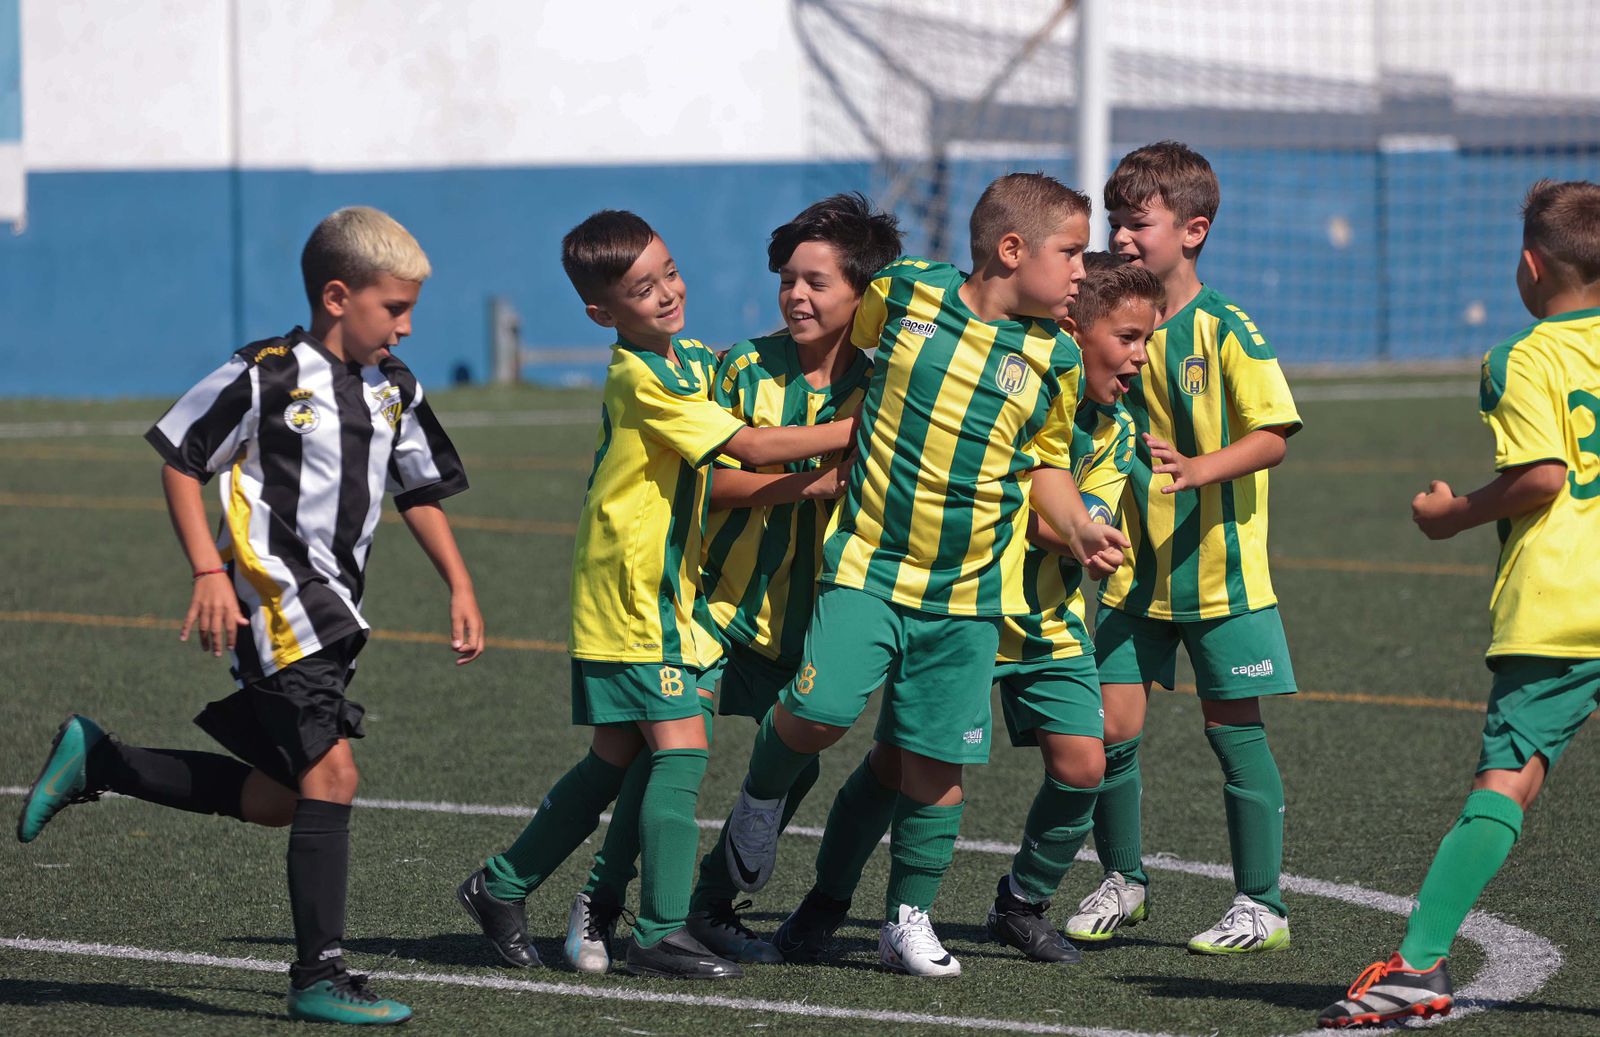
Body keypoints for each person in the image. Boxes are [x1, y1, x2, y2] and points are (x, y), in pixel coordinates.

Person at [16, 206, 483, 1025]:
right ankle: (318, 974)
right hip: (280, 604)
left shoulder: (395, 388)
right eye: (394, 309)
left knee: (281, 798)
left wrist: (461, 583)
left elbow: (420, 490)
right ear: (338, 296)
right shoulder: (264, 372)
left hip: (339, 613)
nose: (407, 328)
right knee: (333, 777)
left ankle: (103, 761)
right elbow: (179, 460)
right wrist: (208, 568)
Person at [720, 173, 1129, 977]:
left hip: (969, 596)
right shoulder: (907, 293)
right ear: (1011, 250)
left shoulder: (1053, 357)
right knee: (819, 709)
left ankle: (908, 918)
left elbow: (1045, 462)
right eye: (1072, 253)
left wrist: (1080, 524)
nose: (1084, 270)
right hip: (868, 565)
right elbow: (854, 342)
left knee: (937, 768)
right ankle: (761, 796)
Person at [455, 210, 854, 980]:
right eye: (644, 289)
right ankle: (662, 929)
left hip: (663, 591)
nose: (668, 292)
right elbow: (749, 445)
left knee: (613, 759)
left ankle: (500, 885)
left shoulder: (689, 360)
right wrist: (855, 429)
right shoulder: (639, 377)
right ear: (602, 313)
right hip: (634, 594)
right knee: (681, 749)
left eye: (669, 272)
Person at [564, 193, 903, 972]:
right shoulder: (739, 366)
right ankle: (601, 901)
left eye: (816, 281)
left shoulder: (887, 384)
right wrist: (808, 483)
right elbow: (708, 481)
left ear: (864, 294)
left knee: (800, 749)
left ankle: (706, 905)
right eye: (788, 278)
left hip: (810, 614)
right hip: (711, 603)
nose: (796, 295)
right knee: (657, 752)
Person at [1317, 179, 1600, 1028]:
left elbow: (1543, 476)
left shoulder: (1522, 358)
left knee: (1505, 781)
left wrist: (1451, 514)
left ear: (1529, 264)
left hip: (1561, 604)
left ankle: (1417, 967)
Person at [1066, 142, 1303, 955]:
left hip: (1221, 577)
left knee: (1233, 731)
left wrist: (1202, 467)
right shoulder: (1097, 329)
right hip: (1134, 576)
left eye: (1140, 223)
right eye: (1116, 223)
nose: (1123, 237)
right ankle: (1124, 880)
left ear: (1193, 230)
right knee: (1106, 730)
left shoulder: (1225, 327)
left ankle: (1262, 903)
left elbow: (1273, 434)